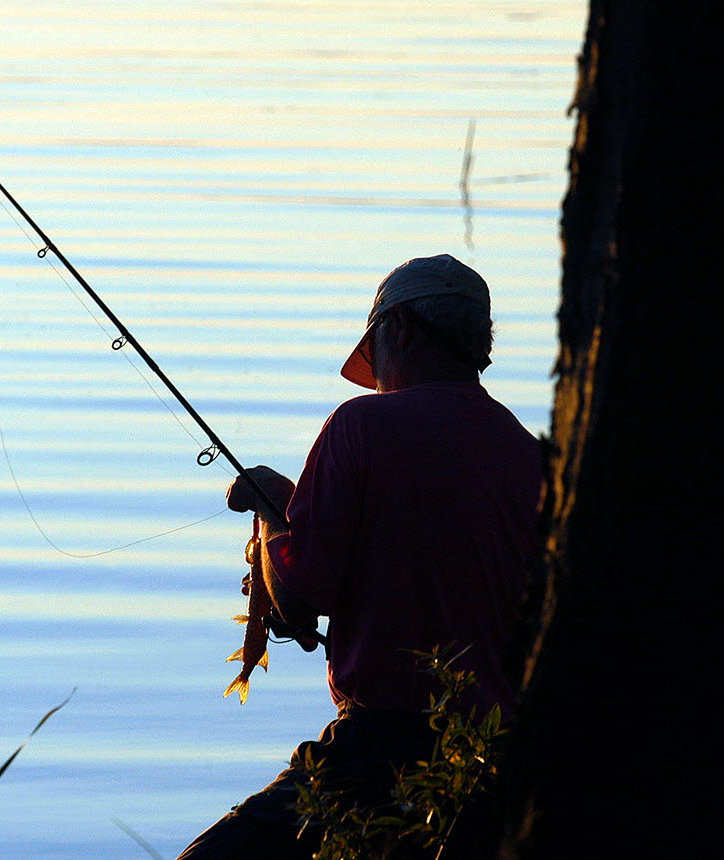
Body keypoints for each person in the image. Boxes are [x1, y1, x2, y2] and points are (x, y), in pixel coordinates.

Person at [176, 254, 542, 859]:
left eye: (373, 352)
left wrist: (271, 512)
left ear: (398, 329)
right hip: (498, 763)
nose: (375, 379)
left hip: (382, 749)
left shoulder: (361, 425)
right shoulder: (530, 456)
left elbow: (298, 602)